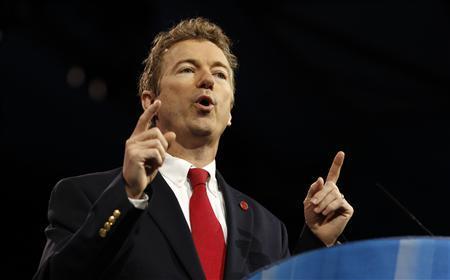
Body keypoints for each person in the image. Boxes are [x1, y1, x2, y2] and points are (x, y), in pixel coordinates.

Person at [33, 17, 354, 280]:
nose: (207, 80)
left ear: (230, 111)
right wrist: (128, 196)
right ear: (150, 101)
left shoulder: (268, 228)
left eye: (219, 74)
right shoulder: (88, 196)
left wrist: (316, 242)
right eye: (188, 69)